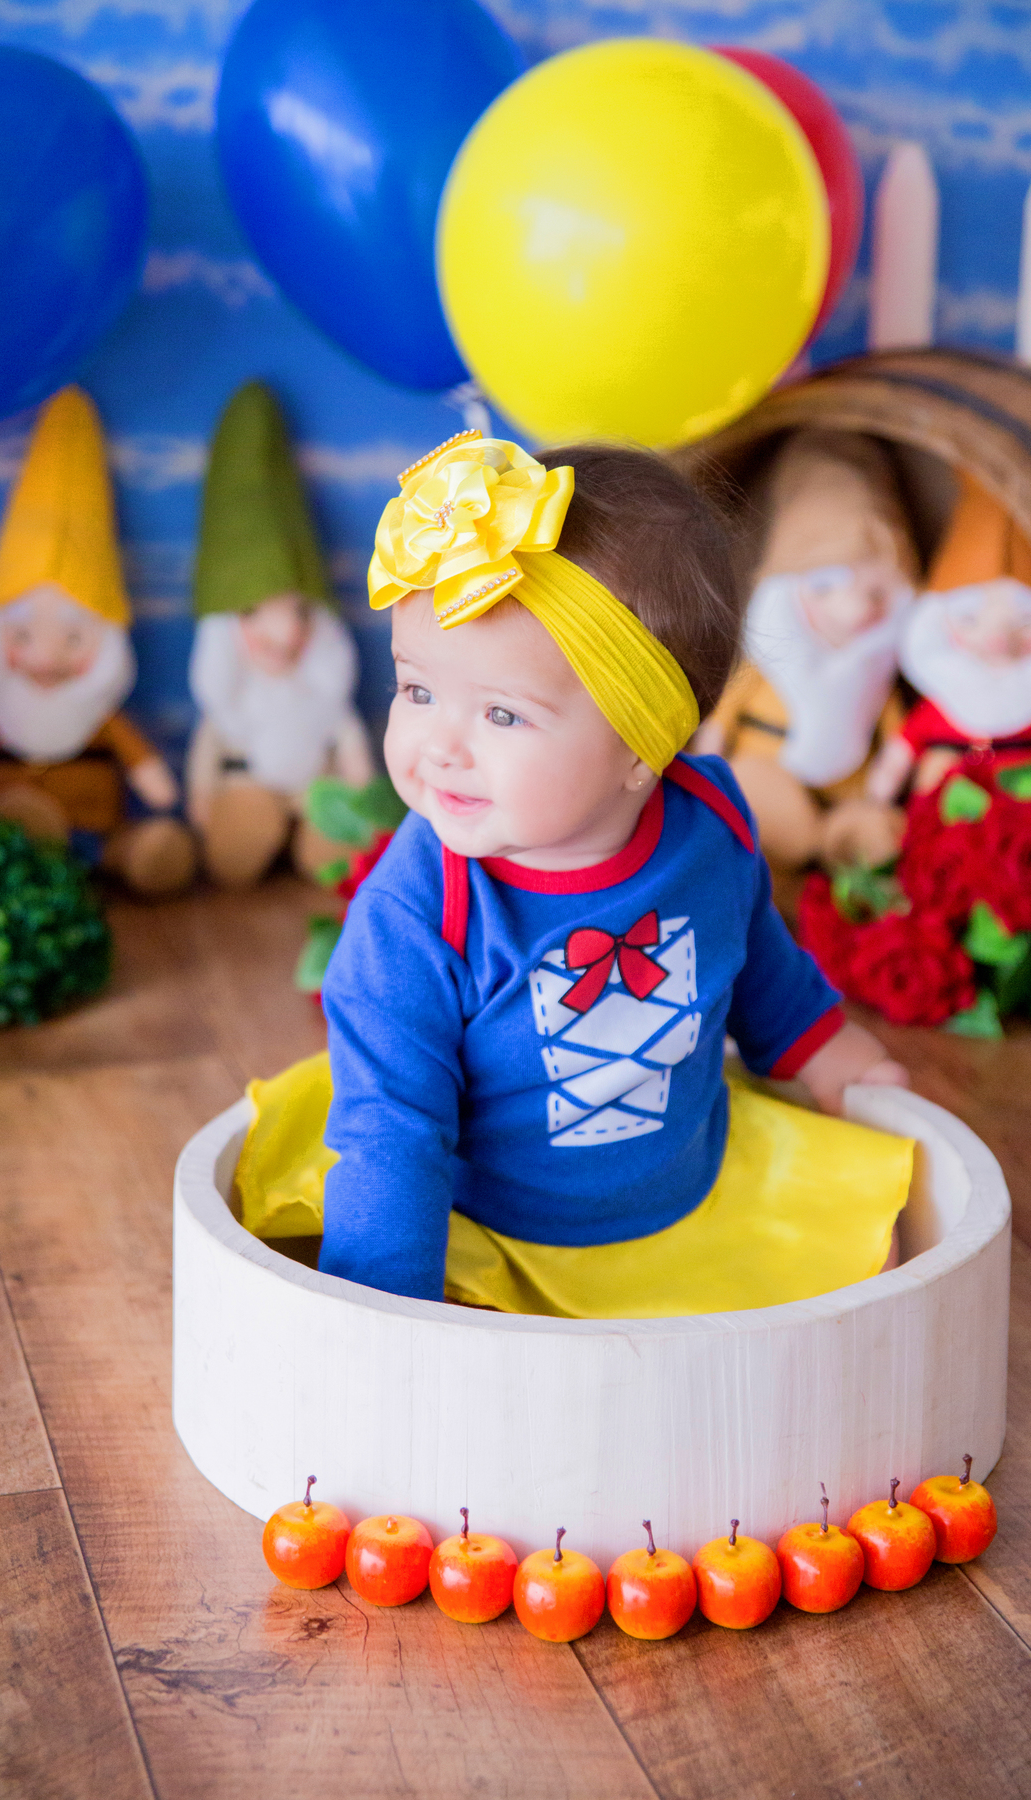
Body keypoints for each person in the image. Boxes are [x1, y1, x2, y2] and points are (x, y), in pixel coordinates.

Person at [235, 433, 914, 1318]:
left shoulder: (709, 824)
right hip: (490, 1229)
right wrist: (389, 1322)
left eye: (503, 714)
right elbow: (395, 1134)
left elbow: (758, 963)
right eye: (416, 690)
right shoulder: (416, 913)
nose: (439, 745)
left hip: (689, 1196)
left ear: (642, 747)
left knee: (874, 1249)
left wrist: (830, 1053)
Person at [0, 387, 195, 897]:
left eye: (72, 639)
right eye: (23, 636)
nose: (45, 658)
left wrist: (156, 784)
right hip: (7, 838)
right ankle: (24, 842)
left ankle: (143, 856)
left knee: (130, 850)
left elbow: (142, 763)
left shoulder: (97, 716)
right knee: (7, 836)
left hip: (94, 832)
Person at [694, 430, 917, 870]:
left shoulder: (877, 673)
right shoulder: (766, 661)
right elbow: (723, 717)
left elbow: (898, 738)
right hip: (765, 777)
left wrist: (884, 787)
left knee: (873, 842)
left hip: (847, 797)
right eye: (825, 588)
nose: (853, 609)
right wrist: (708, 760)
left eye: (876, 592)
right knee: (758, 818)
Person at [186, 382, 373, 886]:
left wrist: (360, 787)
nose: (286, 633)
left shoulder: (323, 692)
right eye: (256, 614)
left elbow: (349, 740)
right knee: (244, 815)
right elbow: (209, 743)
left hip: (316, 787)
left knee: (334, 829)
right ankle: (239, 839)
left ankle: (327, 850)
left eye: (301, 614)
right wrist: (202, 794)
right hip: (251, 782)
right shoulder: (231, 696)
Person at [867, 471, 1031, 802]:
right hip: (945, 821)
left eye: (1028, 620)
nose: (998, 639)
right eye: (968, 618)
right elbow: (904, 746)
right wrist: (882, 787)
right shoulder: (942, 701)